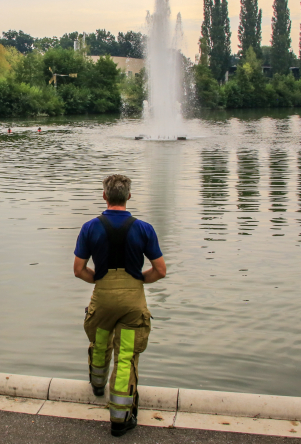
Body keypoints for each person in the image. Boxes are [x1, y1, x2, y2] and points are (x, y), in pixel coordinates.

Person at [73, 174, 166, 437]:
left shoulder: (90, 227)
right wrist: (137, 281)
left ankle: (98, 386)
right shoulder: (144, 228)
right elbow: (160, 270)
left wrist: (100, 280)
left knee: (100, 340)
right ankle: (119, 420)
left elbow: (79, 270)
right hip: (133, 299)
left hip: (102, 295)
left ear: (104, 196)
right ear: (128, 196)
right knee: (126, 354)